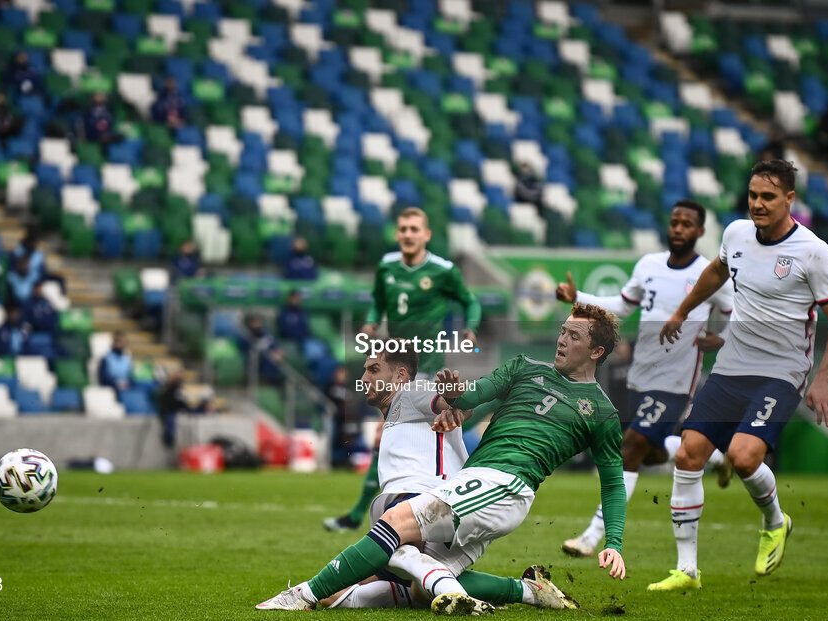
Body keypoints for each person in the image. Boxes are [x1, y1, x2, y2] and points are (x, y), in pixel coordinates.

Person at [259, 304, 627, 613]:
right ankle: (532, 592)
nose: (562, 339)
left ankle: (301, 596)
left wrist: (614, 542)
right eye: (563, 330)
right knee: (423, 584)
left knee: (395, 523)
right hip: (480, 482)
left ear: (596, 352)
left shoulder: (602, 413)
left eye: (575, 336)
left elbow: (612, 481)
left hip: (506, 482)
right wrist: (455, 393)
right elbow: (472, 395)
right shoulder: (524, 368)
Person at [648, 160, 828, 591]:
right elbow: (717, 272)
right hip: (732, 365)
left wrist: (822, 379)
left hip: (782, 371)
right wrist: (683, 312)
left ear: (789, 200)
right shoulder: (736, 233)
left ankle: (776, 523)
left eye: (769, 197)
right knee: (688, 455)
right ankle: (686, 571)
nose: (758, 204)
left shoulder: (814, 252)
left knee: (743, 457)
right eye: (753, 196)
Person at [314, 343, 574, 612]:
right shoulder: (400, 412)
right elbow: (457, 407)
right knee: (355, 593)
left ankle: (308, 592)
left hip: (437, 505)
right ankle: (526, 590)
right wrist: (458, 409)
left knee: (401, 557)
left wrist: (456, 404)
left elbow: (449, 401)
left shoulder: (411, 392)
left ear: (401, 375)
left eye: (373, 369)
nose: (364, 378)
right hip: (443, 507)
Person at [557, 200, 735, 558]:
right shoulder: (648, 265)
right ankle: (715, 456)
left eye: (687, 224)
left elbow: (735, 316)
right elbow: (621, 306)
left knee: (631, 447)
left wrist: (723, 338)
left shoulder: (711, 274)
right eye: (674, 221)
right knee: (650, 451)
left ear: (700, 232)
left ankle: (593, 536)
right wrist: (579, 299)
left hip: (676, 380)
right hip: (642, 373)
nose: (678, 228)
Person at [323, 207, 482, 533]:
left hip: (426, 369)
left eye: (414, 229)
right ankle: (433, 501)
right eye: (403, 229)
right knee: (404, 438)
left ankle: (374, 513)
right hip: (396, 366)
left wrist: (471, 327)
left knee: (405, 436)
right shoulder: (387, 267)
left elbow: (470, 301)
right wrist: (370, 321)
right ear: (397, 235)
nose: (408, 234)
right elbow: (378, 302)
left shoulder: (442, 270)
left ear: (426, 235)